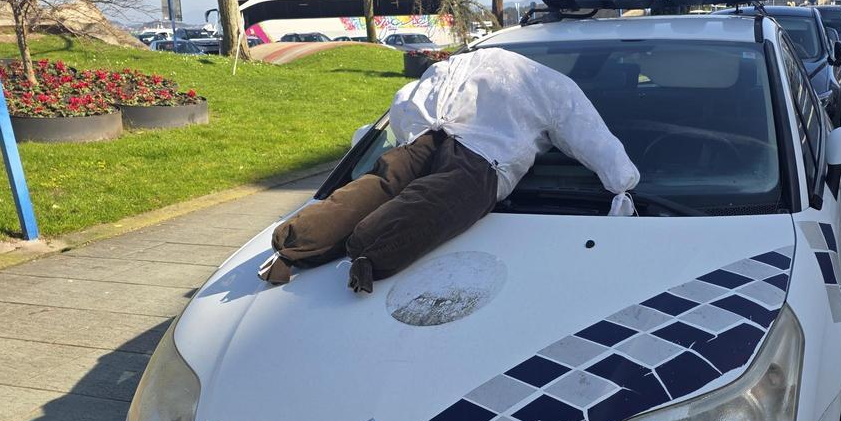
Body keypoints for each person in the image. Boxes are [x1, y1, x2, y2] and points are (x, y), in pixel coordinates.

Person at [258, 48, 640, 293]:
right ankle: (371, 253)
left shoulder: (467, 59)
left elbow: (407, 100)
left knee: (384, 180)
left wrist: (414, 134)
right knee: (442, 196)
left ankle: (293, 243)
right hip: (484, 156)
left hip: (428, 132)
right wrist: (622, 182)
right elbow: (591, 136)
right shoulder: (554, 87)